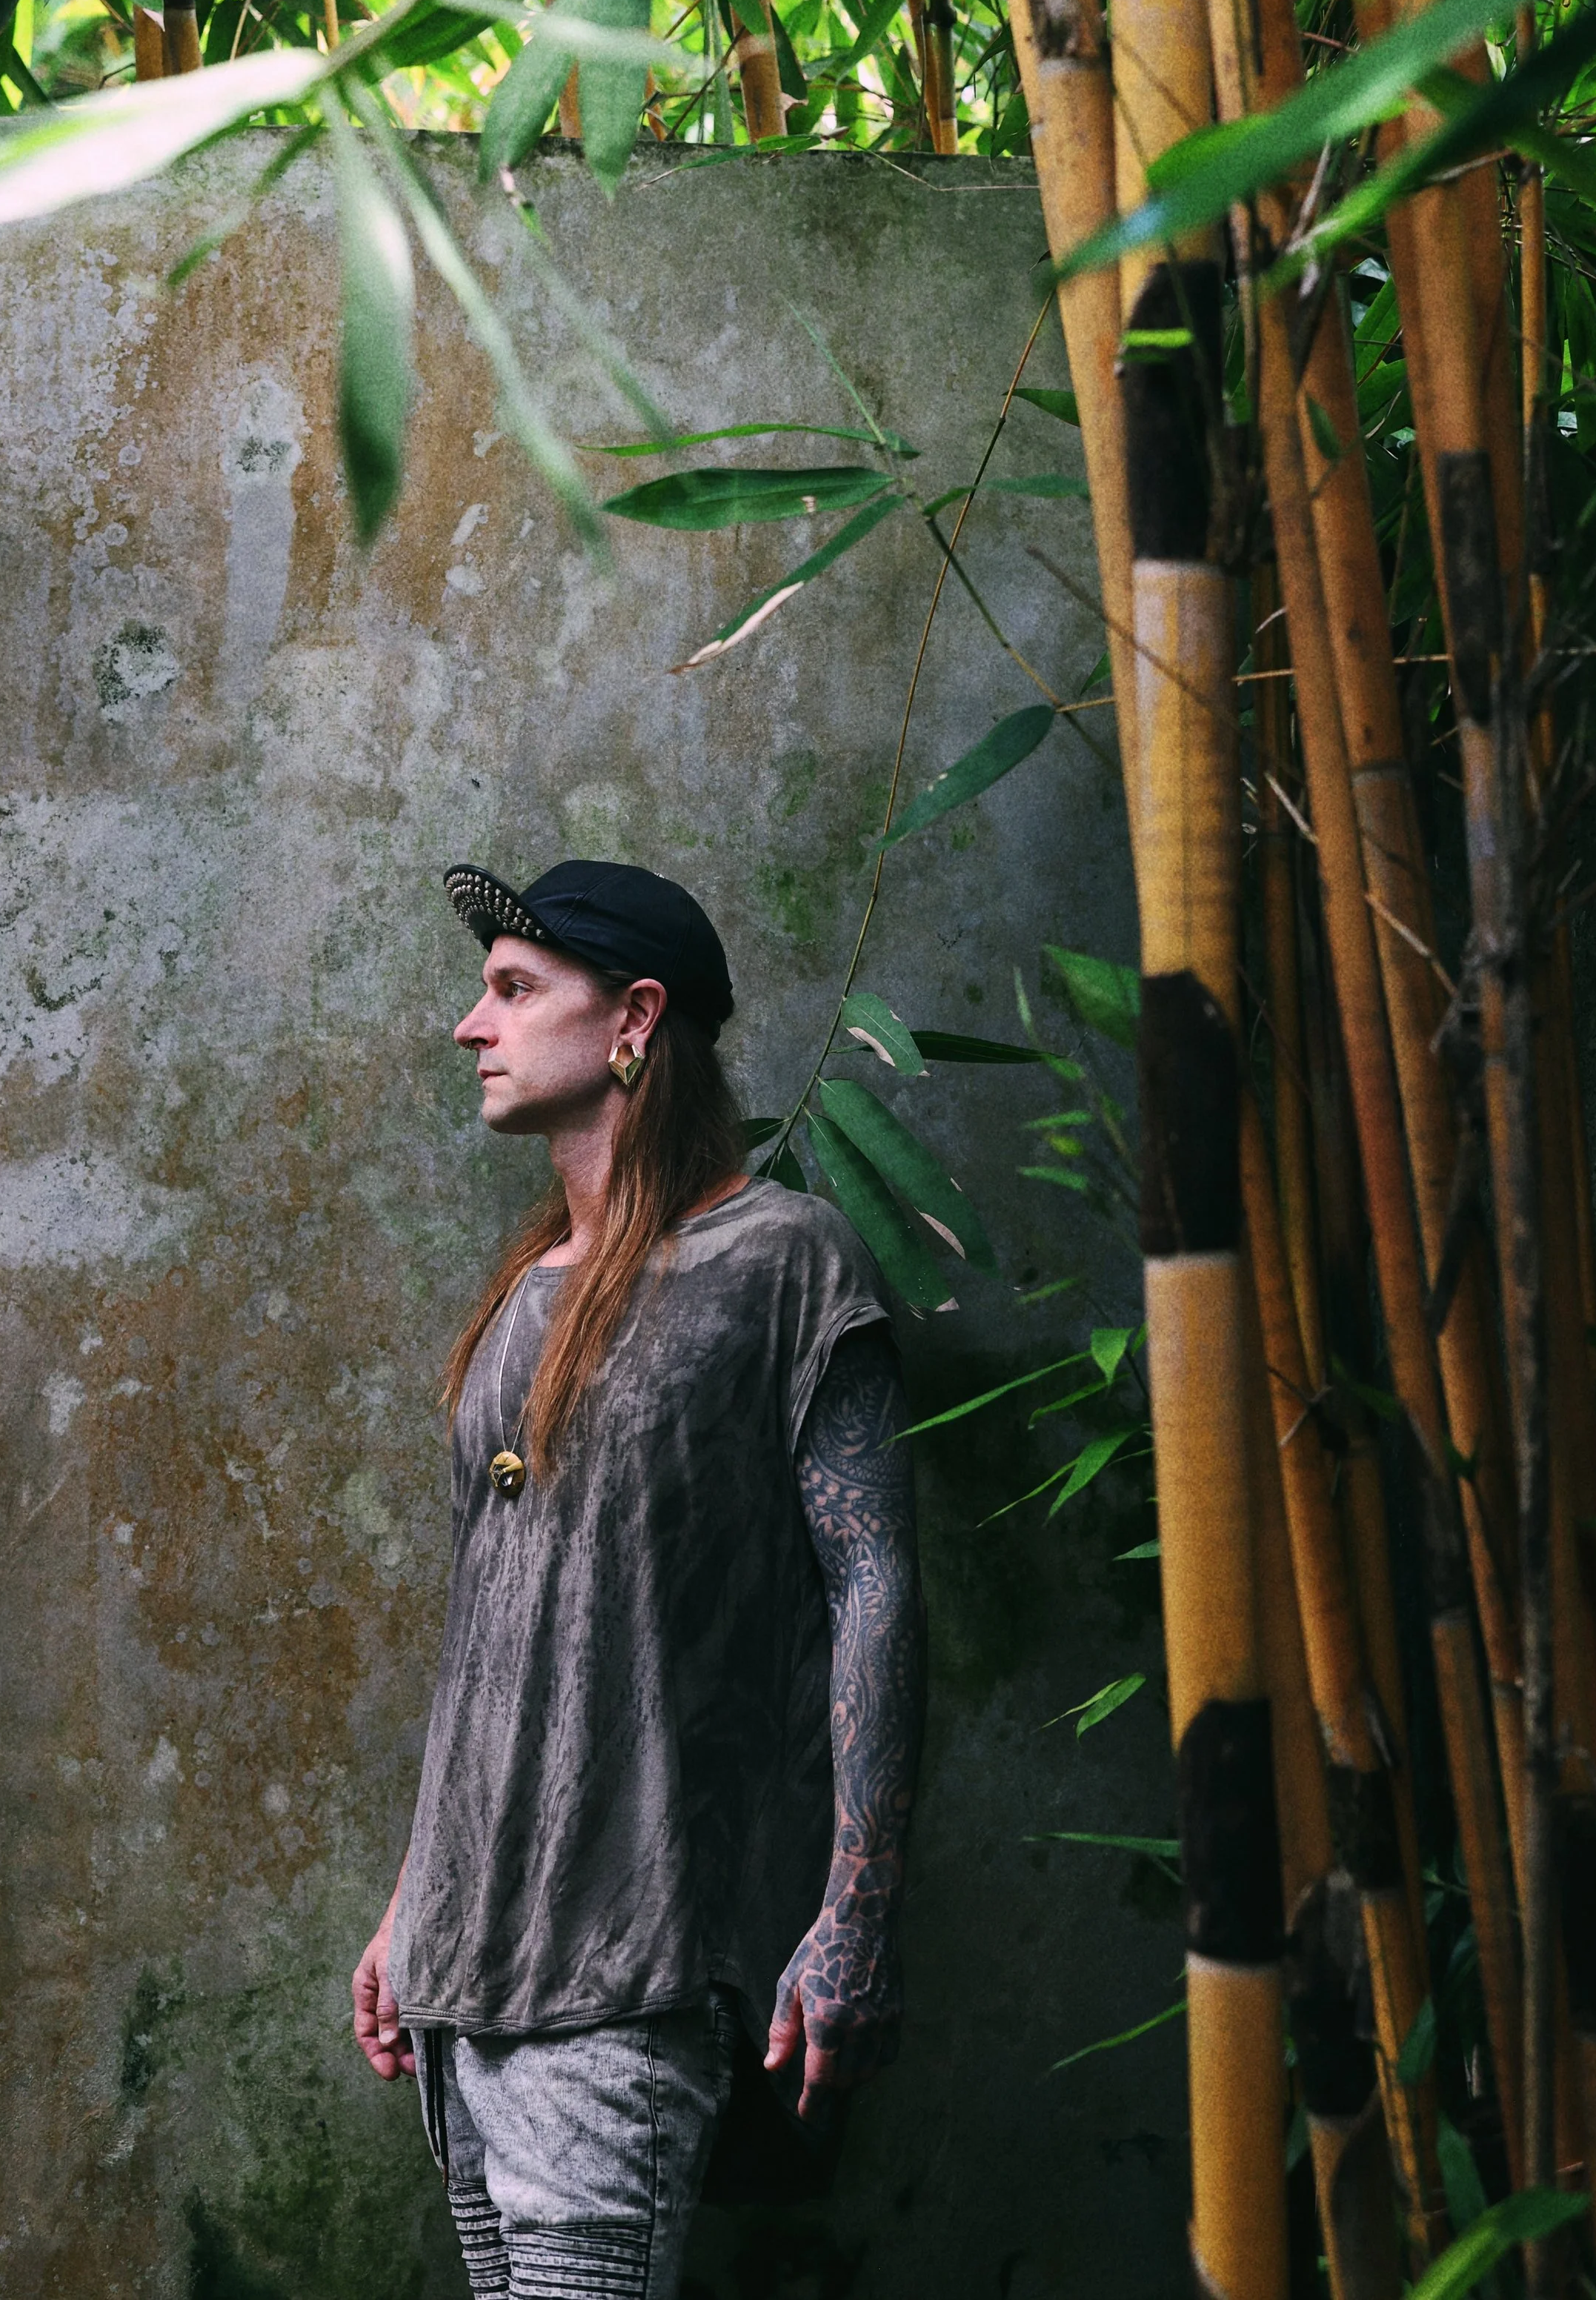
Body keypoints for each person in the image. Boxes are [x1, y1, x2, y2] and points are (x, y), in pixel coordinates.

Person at [350, 857, 925, 2300]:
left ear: (633, 1021)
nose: (468, 1026)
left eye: (512, 988)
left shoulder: (780, 1260)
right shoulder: (532, 1285)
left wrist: (856, 1912)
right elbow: (493, 1625)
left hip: (623, 1967)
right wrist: (411, 1904)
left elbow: (873, 1588)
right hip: (464, 1980)